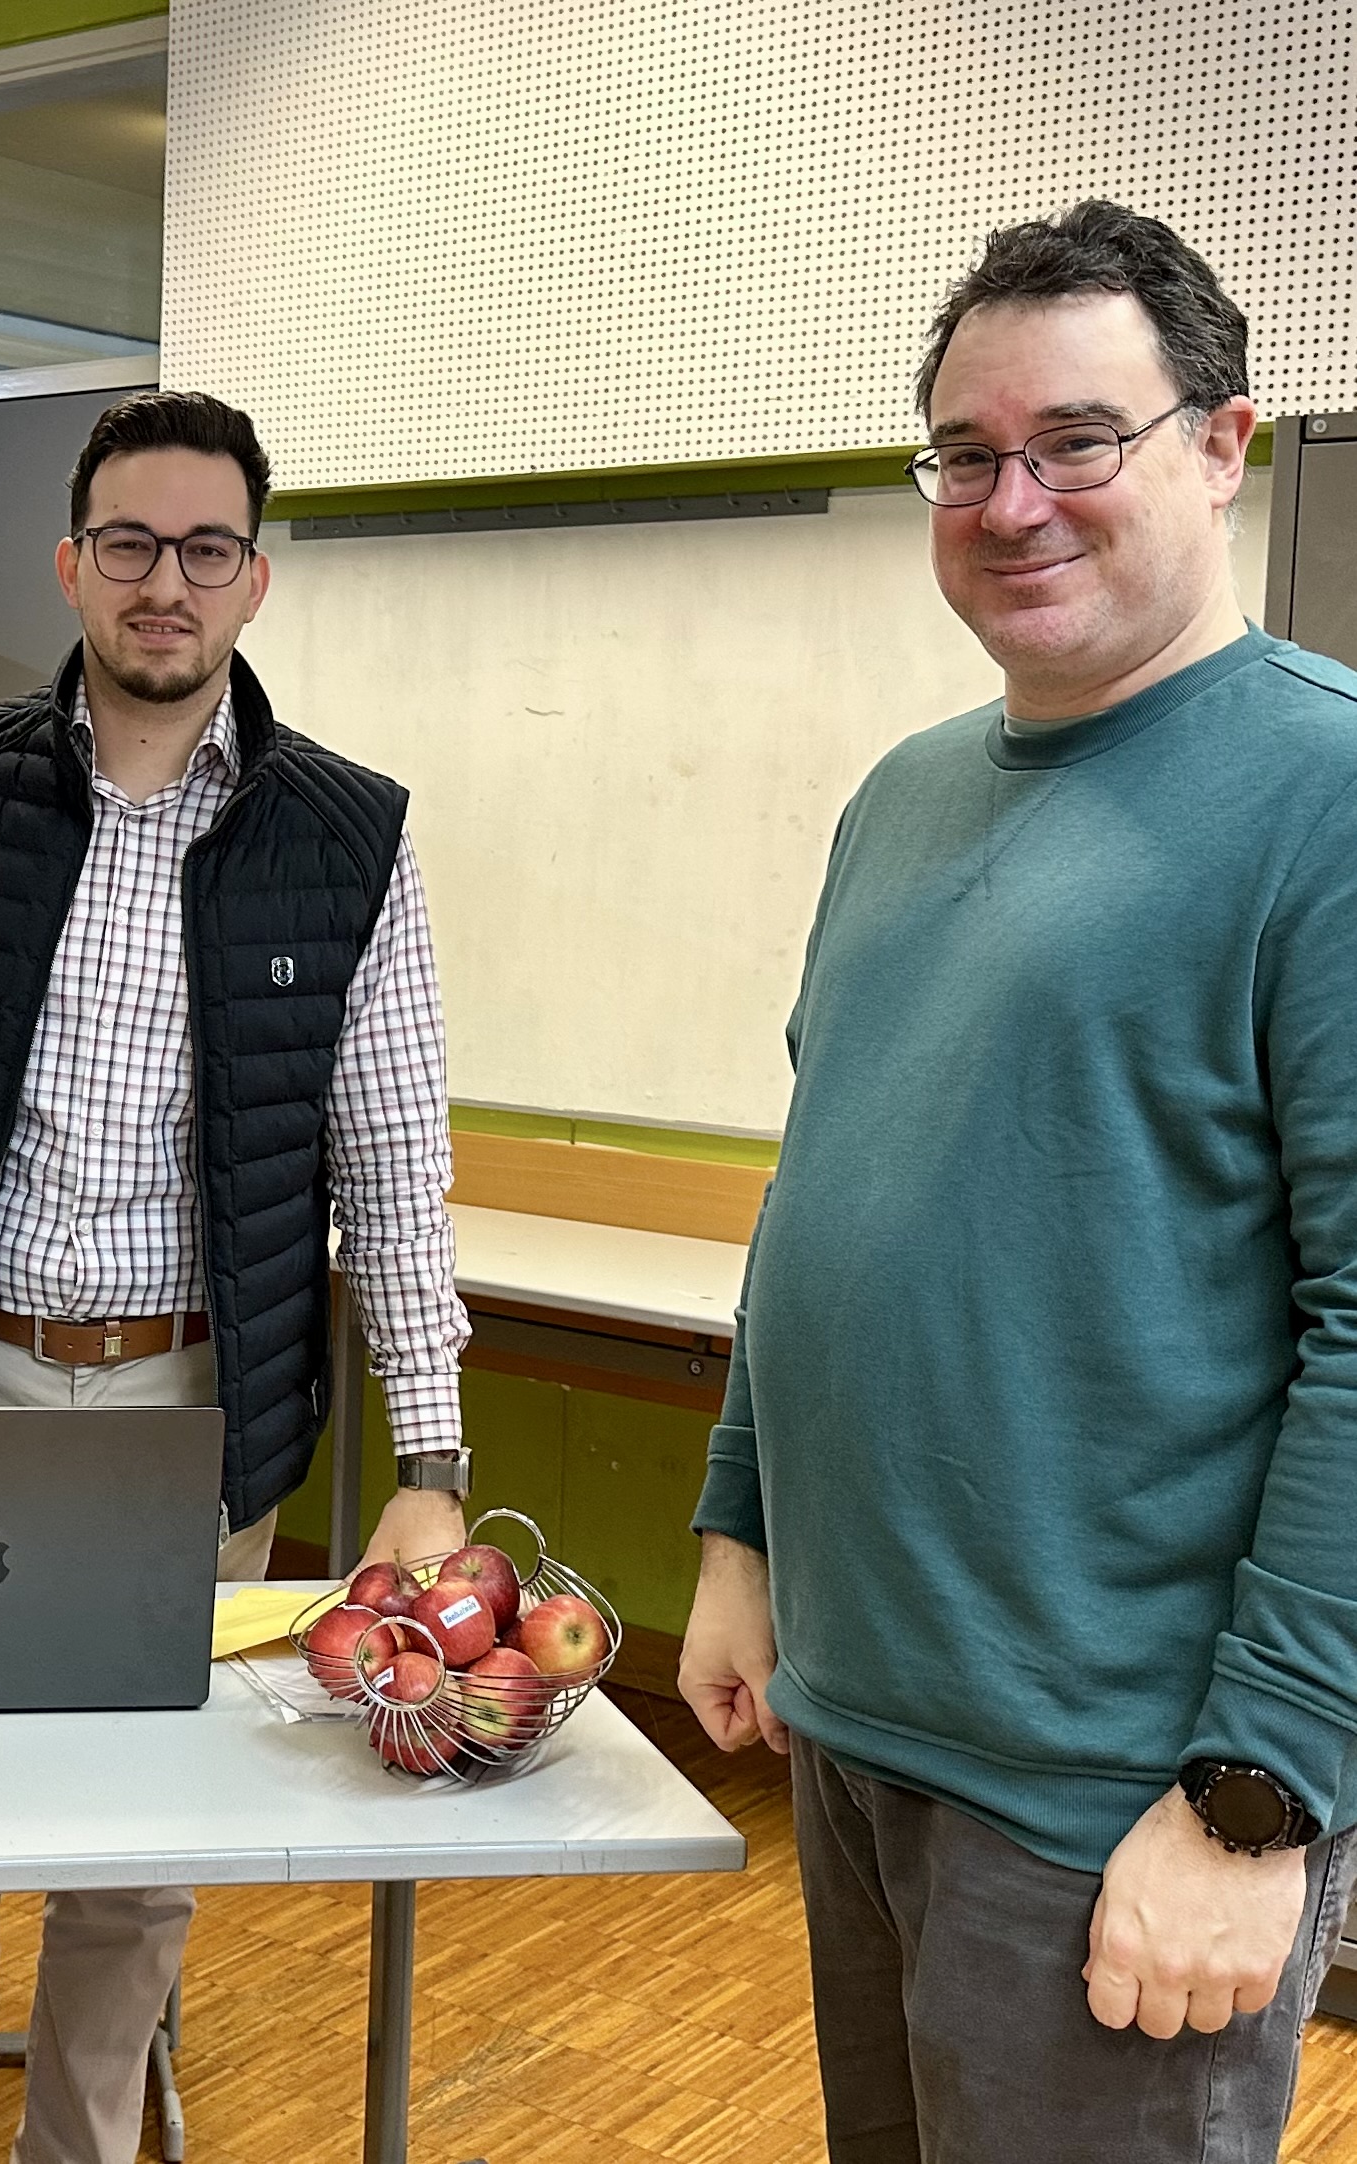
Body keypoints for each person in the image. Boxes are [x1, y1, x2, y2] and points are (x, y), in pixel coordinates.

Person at [679, 201, 1357, 2162]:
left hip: (1117, 1794)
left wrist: (1258, 1793)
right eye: (965, 456)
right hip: (861, 1730)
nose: (1012, 502)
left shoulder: (1323, 799)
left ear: (1219, 447)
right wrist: (739, 1534)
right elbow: (822, 1190)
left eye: (1076, 441)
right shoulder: (903, 795)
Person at [0, 388, 470, 2164]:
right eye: (131, 543)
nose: (168, 582)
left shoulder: (350, 835)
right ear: (71, 565)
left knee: (142, 1854)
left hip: (190, 1421)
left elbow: (394, 1168)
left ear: (256, 580)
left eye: (207, 549)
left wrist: (433, 1464)